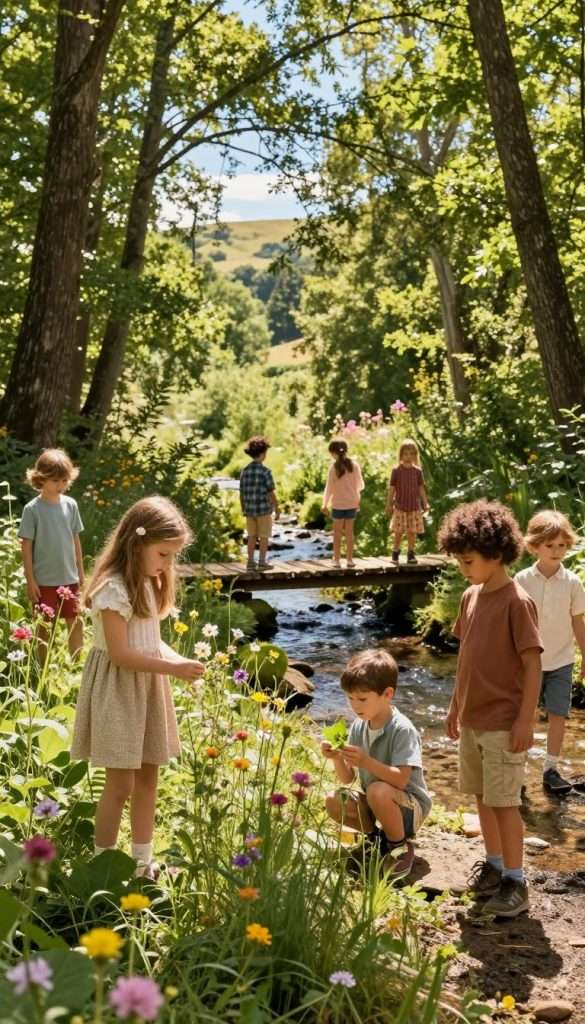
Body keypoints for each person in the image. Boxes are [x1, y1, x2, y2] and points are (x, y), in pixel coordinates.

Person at [71, 496, 204, 876]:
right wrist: (172, 669)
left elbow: (151, 642)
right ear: (136, 542)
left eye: (172, 556)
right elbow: (121, 654)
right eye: (163, 554)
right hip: (118, 689)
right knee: (120, 784)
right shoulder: (113, 589)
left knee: (148, 777)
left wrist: (181, 661)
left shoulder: (147, 583)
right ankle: (103, 865)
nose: (167, 564)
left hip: (147, 688)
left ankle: (142, 863)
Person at [438, 500, 542, 918]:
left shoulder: (517, 602)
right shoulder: (470, 596)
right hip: (472, 719)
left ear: (496, 555)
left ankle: (517, 881)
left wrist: (525, 720)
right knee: (482, 796)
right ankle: (495, 866)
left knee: (505, 802)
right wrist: (454, 706)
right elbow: (466, 658)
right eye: (459, 560)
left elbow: (533, 664)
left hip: (502, 721)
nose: (462, 568)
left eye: (468, 561)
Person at [321, 648, 431, 879]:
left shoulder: (402, 729)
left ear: (387, 694)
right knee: (334, 800)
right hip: (377, 803)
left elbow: (401, 780)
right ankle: (376, 840)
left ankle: (399, 847)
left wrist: (366, 761)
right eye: (350, 698)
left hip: (408, 808)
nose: (355, 706)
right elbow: (348, 778)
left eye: (362, 699)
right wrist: (337, 758)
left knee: (377, 790)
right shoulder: (359, 726)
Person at [515, 510, 585, 795]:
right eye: (550, 545)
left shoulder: (572, 583)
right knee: (526, 715)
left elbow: (578, 621)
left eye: (562, 545)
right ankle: (518, 769)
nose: (557, 551)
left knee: (558, 714)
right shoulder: (522, 580)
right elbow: (514, 623)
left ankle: (550, 769)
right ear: (534, 546)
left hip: (562, 661)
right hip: (528, 662)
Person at [18, 448, 85, 663]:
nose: (61, 485)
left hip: (69, 578)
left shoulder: (71, 505)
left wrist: (81, 573)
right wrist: (31, 580)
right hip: (44, 580)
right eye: (55, 480)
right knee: (44, 626)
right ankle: (41, 666)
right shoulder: (32, 509)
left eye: (64, 480)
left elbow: (75, 541)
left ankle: (76, 663)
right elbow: (26, 547)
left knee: (75, 621)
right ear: (41, 479)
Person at [322, 439, 364, 568]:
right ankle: (350, 560)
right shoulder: (354, 466)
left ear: (334, 453)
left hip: (338, 505)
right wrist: (356, 499)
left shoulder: (333, 468)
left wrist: (325, 504)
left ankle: (336, 560)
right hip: (352, 504)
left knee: (337, 533)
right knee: (350, 533)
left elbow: (329, 488)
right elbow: (360, 486)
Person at [239, 436, 280, 571]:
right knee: (264, 536)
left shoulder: (245, 471)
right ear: (262, 453)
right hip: (264, 510)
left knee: (251, 536)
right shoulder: (265, 471)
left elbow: (241, 493)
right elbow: (270, 492)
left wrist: (243, 508)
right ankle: (262, 562)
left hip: (249, 511)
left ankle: (250, 562)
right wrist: (277, 507)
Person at [385, 438, 429, 564]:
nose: (408, 457)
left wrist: (425, 503)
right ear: (401, 455)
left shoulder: (417, 471)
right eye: (405, 454)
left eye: (411, 454)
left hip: (414, 507)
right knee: (398, 531)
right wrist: (389, 504)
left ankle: (411, 553)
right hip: (400, 506)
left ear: (415, 455)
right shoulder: (396, 470)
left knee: (412, 532)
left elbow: (421, 488)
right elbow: (392, 489)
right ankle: (395, 552)